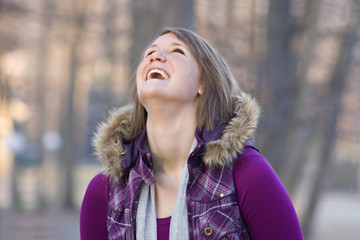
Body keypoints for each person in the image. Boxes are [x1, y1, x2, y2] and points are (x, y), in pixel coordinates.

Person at [80, 27, 304, 240]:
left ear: (203, 84)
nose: (156, 56)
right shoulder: (105, 193)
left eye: (177, 51)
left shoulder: (246, 173)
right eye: (150, 52)